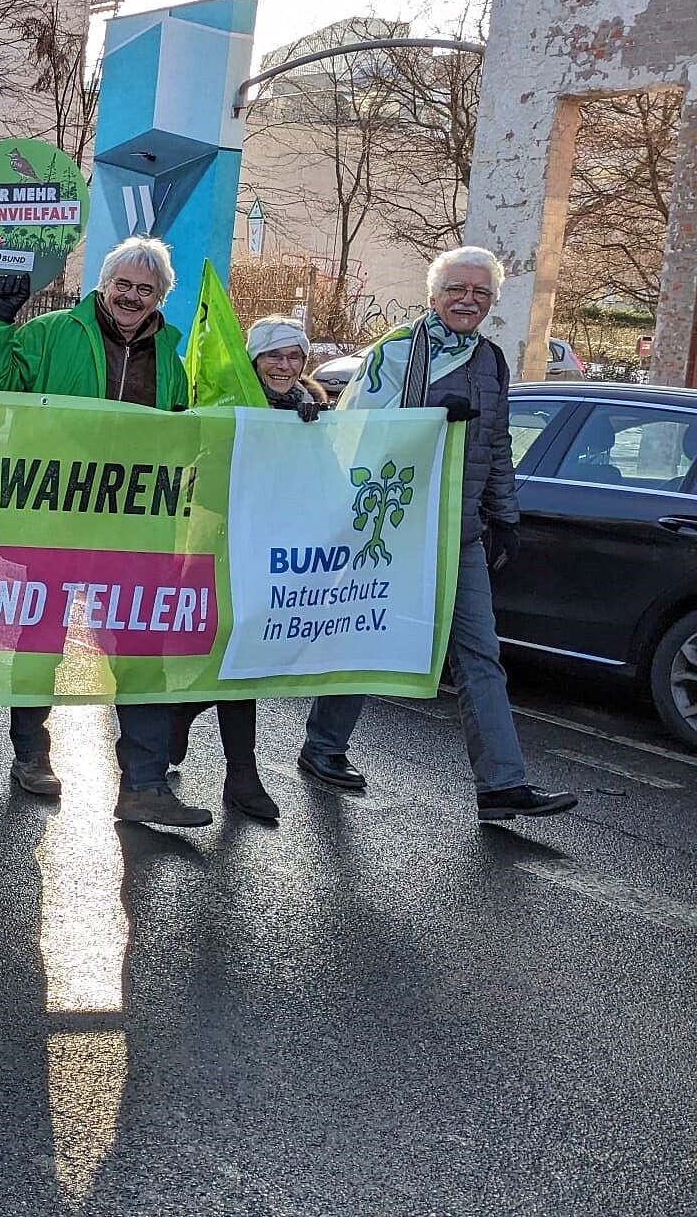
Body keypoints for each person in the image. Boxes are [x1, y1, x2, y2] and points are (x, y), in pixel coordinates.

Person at [300, 247, 578, 822]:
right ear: (434, 295)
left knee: (480, 654)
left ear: (491, 302)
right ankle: (324, 747)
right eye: (457, 289)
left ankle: (502, 785)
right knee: (365, 636)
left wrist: (505, 516)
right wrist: (424, 416)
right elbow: (353, 431)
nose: (468, 299)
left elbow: (496, 445)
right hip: (391, 525)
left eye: (480, 292)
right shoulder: (398, 351)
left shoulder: (493, 363)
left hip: (460, 532)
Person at [0, 235, 208, 827]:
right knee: (42, 638)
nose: (130, 296)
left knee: (142, 649)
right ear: (104, 283)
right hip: (52, 518)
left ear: (160, 300)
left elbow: (186, 433)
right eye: (122, 284)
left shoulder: (170, 357)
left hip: (133, 527)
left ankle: (145, 785)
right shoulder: (50, 333)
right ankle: (32, 754)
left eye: (144, 290)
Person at [165, 315, 326, 824]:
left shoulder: (314, 411)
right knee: (224, 651)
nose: (285, 365)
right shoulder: (225, 405)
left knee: (245, 658)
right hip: (216, 545)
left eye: (294, 356)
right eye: (274, 356)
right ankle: (235, 769)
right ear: (253, 361)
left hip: (271, 555)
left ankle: (209, 745)